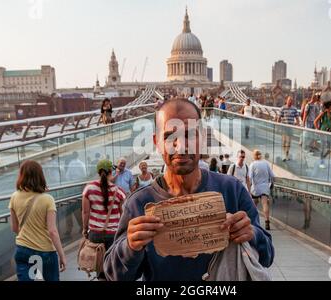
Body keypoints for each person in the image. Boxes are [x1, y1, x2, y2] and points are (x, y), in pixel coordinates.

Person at [104, 98, 274, 281]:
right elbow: (112, 274)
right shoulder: (138, 203)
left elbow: (268, 255)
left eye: (189, 135)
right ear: (157, 142)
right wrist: (129, 246)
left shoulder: (233, 190)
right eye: (169, 137)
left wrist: (252, 234)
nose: (181, 146)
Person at [9, 160, 66, 281]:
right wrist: (62, 255)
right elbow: (52, 231)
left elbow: (14, 228)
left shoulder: (14, 196)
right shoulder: (47, 199)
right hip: (45, 252)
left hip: (23, 249)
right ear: (40, 176)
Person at [82, 160, 126, 279]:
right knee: (112, 265)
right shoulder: (119, 192)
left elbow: (85, 212)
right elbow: (123, 216)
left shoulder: (88, 189)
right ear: (111, 172)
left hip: (95, 233)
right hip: (113, 234)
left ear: (98, 172)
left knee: (99, 264)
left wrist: (85, 230)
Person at [249, 150, 275, 231]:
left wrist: (249, 188)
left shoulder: (252, 164)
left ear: (254, 156)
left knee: (253, 205)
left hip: (256, 188)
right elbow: (273, 176)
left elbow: (250, 178)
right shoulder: (266, 164)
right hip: (265, 187)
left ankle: (252, 221)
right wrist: (272, 183)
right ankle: (267, 222)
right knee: (264, 204)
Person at [278, 96, 301, 162]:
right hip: (284, 127)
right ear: (286, 101)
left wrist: (298, 124)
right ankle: (284, 154)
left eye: (291, 101)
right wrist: (277, 125)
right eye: (289, 100)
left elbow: (297, 118)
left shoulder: (294, 109)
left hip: (290, 128)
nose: (290, 102)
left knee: (289, 142)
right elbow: (279, 117)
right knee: (284, 141)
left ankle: (286, 155)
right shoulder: (283, 108)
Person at [314, 101, 331, 169]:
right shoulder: (323, 113)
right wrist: (318, 130)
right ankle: (321, 162)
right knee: (323, 148)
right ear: (329, 106)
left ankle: (322, 159)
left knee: (329, 149)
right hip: (323, 132)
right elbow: (315, 121)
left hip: (329, 132)